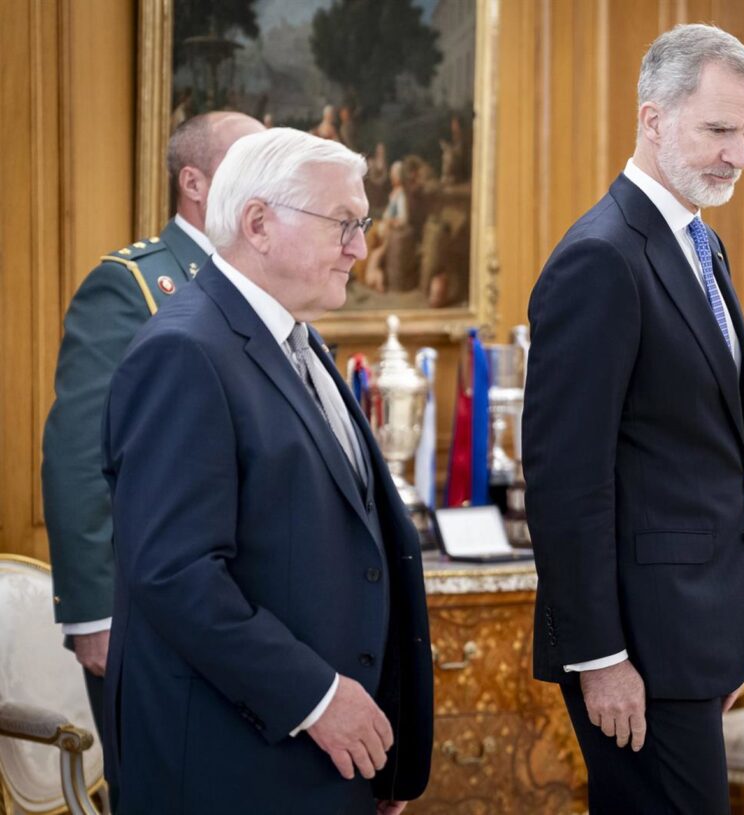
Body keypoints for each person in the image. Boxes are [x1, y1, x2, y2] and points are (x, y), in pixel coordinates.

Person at [101, 127, 433, 814]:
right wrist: (317, 699)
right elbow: (175, 572)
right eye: (344, 223)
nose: (361, 248)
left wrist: (382, 760)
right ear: (258, 223)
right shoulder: (185, 353)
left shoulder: (300, 337)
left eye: (363, 225)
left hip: (320, 763)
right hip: (235, 765)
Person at [522, 23, 744, 815]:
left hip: (693, 643)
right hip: (634, 651)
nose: (737, 154)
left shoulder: (701, 244)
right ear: (652, 120)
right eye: (719, 130)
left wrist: (723, 648)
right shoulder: (601, 256)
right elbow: (565, 479)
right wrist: (600, 656)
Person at [41, 110, 263, 742]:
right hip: (148, 615)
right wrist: (92, 614)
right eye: (249, 165)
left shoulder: (259, 284)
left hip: (235, 611)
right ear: (194, 183)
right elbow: (79, 454)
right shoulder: (132, 284)